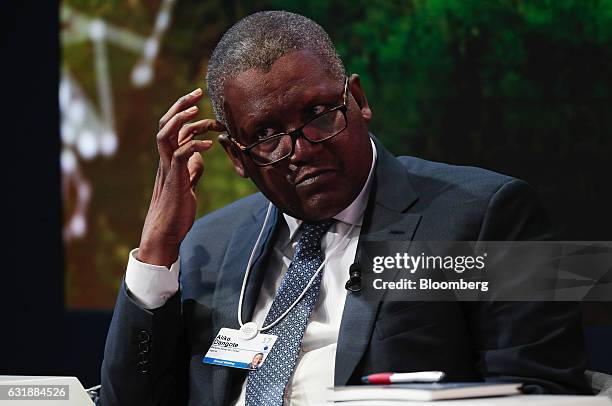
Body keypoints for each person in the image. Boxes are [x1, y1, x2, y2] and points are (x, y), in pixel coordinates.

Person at [100, 10, 590, 406]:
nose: (303, 148)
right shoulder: (208, 245)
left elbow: (544, 392)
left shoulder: (490, 215)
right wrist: (156, 254)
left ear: (357, 99)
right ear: (236, 157)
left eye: (318, 114)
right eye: (267, 135)